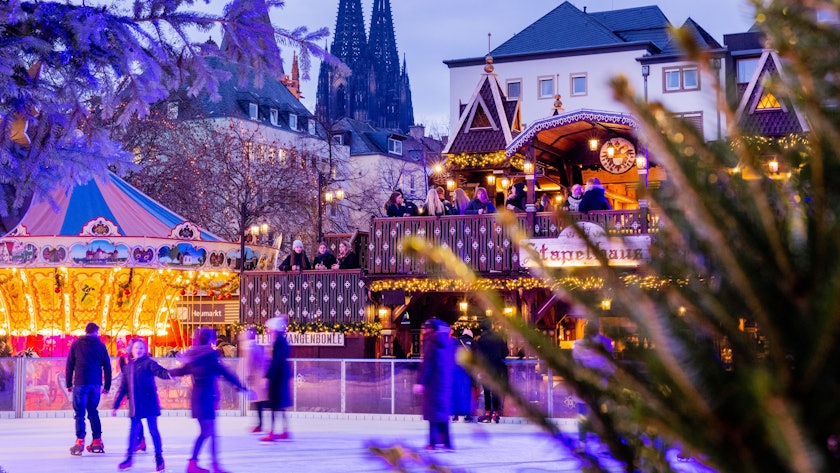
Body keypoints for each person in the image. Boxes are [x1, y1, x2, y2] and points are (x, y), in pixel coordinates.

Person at [169, 327, 249, 473]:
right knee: (208, 432)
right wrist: (243, 388)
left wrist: (167, 373)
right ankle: (200, 464)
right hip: (205, 400)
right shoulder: (209, 357)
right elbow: (227, 374)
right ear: (210, 340)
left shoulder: (194, 356)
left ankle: (203, 464)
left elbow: (181, 371)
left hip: (200, 400)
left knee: (208, 433)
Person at [112, 338, 171, 471]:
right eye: (136, 348)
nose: (139, 350)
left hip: (149, 403)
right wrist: (115, 405)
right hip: (135, 405)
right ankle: (129, 458)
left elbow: (160, 371)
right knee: (133, 433)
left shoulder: (148, 363)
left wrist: (169, 374)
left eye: (141, 348)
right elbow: (123, 388)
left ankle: (159, 458)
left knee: (153, 431)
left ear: (145, 351)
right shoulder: (127, 368)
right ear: (131, 350)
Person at [66, 322, 112, 456]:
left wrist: (69, 383)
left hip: (80, 382)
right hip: (95, 385)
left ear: (85, 331)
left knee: (80, 414)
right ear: (96, 332)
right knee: (93, 411)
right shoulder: (101, 346)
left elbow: (70, 365)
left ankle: (80, 441)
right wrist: (107, 386)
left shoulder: (76, 344)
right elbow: (107, 367)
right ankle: (97, 441)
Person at [572, 320, 614, 453]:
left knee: (584, 415)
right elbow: (610, 366)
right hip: (599, 384)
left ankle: (584, 443)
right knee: (601, 415)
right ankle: (602, 444)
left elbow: (576, 365)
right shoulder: (606, 344)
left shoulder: (578, 345)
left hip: (586, 385)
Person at [413, 318, 455, 451]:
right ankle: (447, 442)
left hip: (433, 382)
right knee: (442, 413)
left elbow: (428, 364)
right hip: (445, 381)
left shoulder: (431, 341)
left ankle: (433, 442)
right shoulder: (448, 341)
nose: (424, 331)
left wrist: (420, 382)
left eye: (426, 328)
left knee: (433, 414)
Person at [261, 316, 293, 442]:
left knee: (275, 405)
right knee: (280, 405)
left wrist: (268, 377)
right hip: (281, 375)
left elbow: (276, 361)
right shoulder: (281, 341)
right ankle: (285, 430)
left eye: (270, 329)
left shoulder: (278, 343)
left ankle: (273, 432)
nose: (268, 331)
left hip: (278, 377)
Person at [475, 319, 508, 423]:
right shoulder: (499, 338)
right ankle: (495, 413)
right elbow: (505, 352)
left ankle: (488, 412)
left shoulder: (480, 340)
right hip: (497, 368)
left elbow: (477, 356)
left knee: (487, 391)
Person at [239, 328, 269, 434]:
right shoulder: (257, 346)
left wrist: (248, 375)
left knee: (258, 401)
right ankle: (260, 423)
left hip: (257, 376)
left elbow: (250, 362)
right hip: (259, 376)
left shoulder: (250, 347)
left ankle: (260, 424)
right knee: (258, 401)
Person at [118, 352, 147, 454]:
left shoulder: (139, 360)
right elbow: (126, 374)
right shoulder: (131, 360)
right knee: (136, 419)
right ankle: (141, 441)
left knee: (136, 419)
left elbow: (129, 374)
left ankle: (140, 441)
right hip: (134, 394)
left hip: (137, 395)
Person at [451, 328, 476, 423]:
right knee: (468, 392)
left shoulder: (455, 342)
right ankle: (467, 415)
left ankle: (455, 415)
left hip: (456, 371)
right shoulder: (473, 343)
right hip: (468, 371)